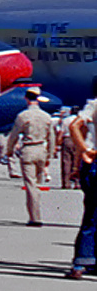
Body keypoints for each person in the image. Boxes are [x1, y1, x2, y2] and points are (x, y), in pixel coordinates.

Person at [6, 88, 54, 226]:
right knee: (37, 184)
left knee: (31, 185)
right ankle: (36, 212)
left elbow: (14, 135)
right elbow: (51, 137)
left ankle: (35, 217)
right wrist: (49, 155)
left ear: (26, 99)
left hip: (29, 150)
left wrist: (9, 151)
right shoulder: (46, 116)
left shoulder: (23, 116)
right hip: (41, 150)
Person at [65, 100, 97, 280]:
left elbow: (75, 125)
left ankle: (81, 262)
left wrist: (84, 150)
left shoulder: (95, 105)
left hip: (94, 160)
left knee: (91, 213)